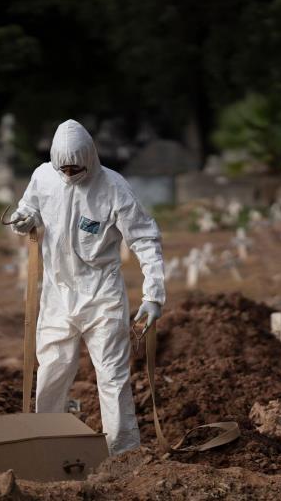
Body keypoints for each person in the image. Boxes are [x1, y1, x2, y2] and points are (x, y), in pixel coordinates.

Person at [9, 119, 165, 455]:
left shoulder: (113, 187)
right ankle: (48, 448)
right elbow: (28, 210)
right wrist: (22, 222)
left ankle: (122, 454)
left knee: (111, 375)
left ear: (90, 159)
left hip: (101, 294)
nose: (68, 174)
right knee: (51, 371)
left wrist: (153, 295)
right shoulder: (43, 177)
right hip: (56, 292)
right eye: (62, 168)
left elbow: (144, 238)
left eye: (75, 168)